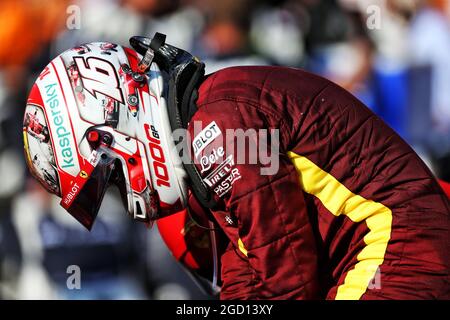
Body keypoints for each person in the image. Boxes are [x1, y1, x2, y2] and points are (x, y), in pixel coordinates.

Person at [22, 33, 449, 300]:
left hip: (397, 248)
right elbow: (246, 278)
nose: (124, 196)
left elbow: (290, 279)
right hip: (383, 251)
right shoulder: (203, 133)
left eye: (109, 180)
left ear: (113, 127)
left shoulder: (216, 129)